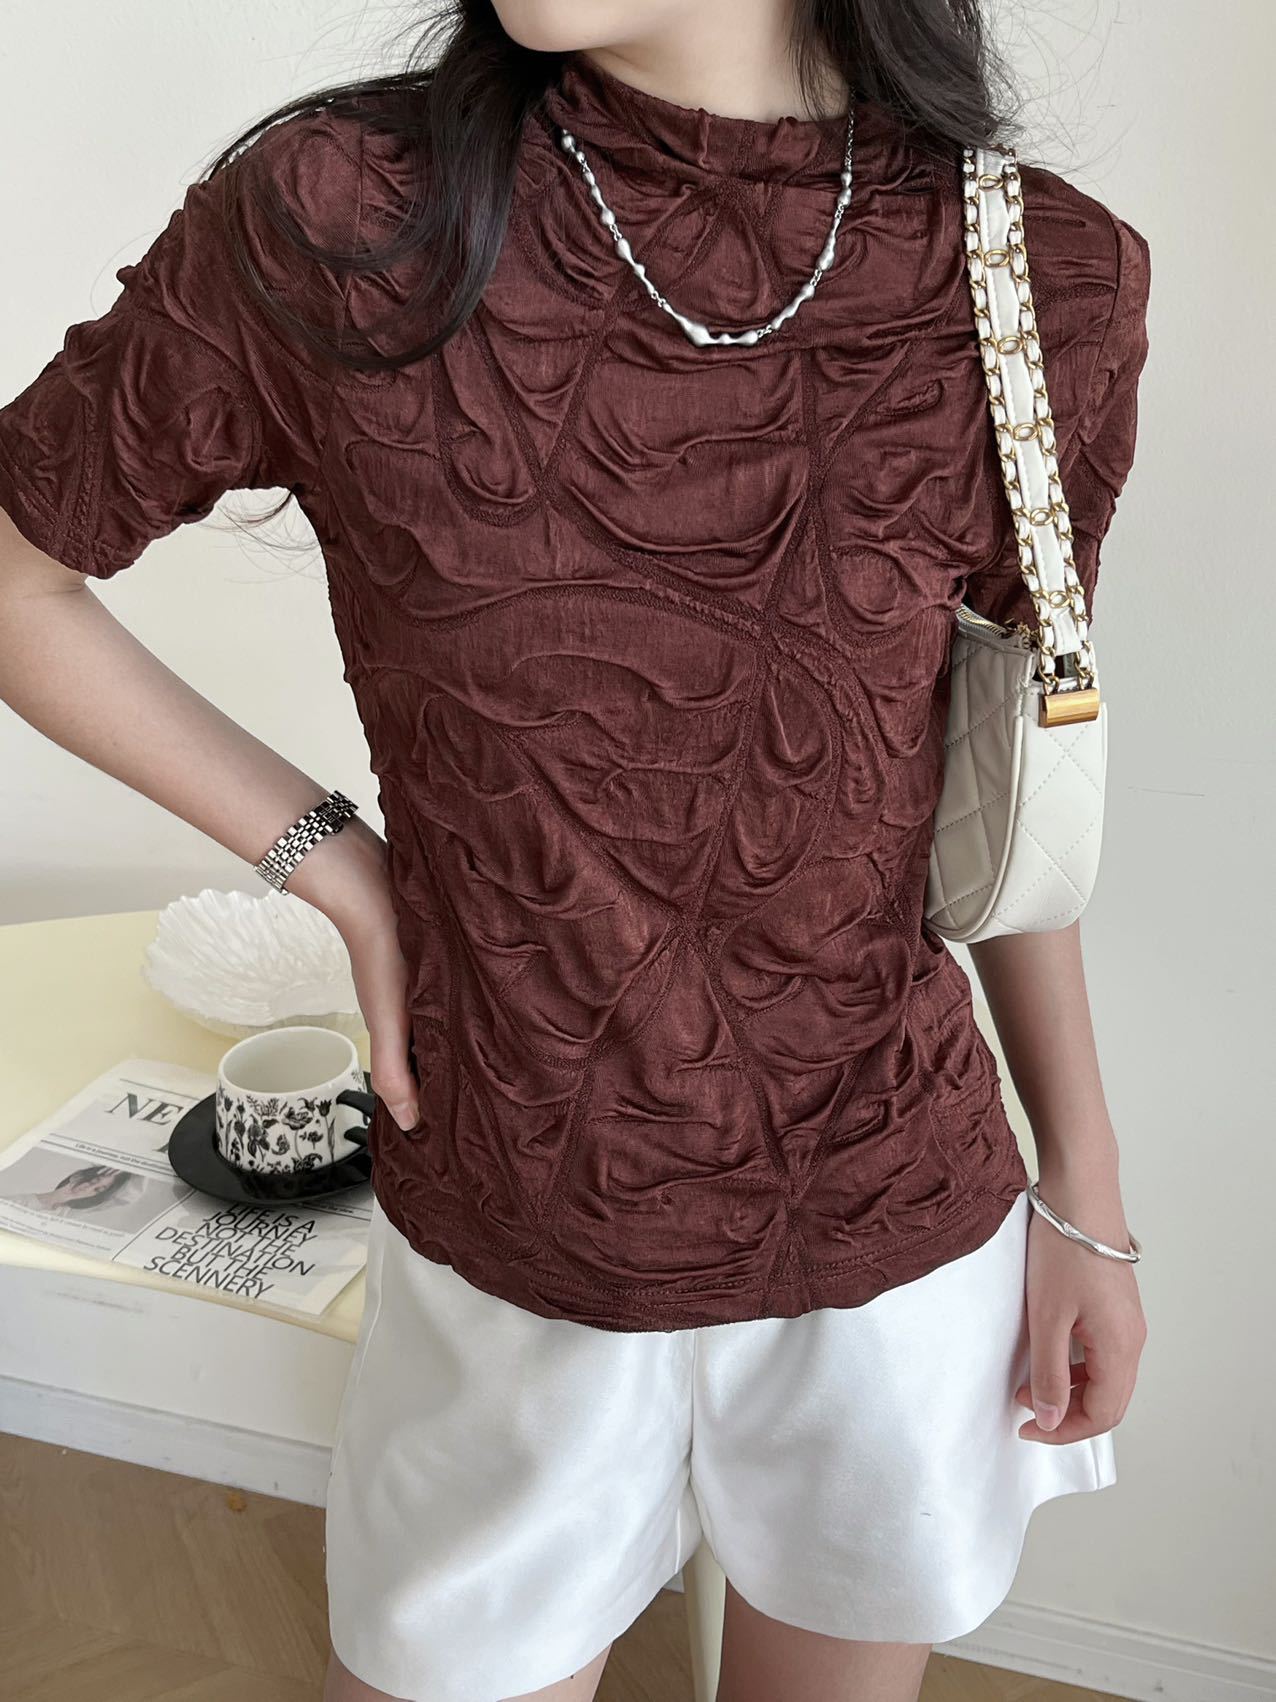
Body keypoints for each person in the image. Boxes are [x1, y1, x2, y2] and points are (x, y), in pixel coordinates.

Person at [0, 2, 1152, 1699]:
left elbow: (991, 784)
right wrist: (339, 867)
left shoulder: (1038, 275)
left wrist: (1087, 1189)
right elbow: (18, 575)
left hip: (890, 1226)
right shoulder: (348, 218)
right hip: (513, 1222)